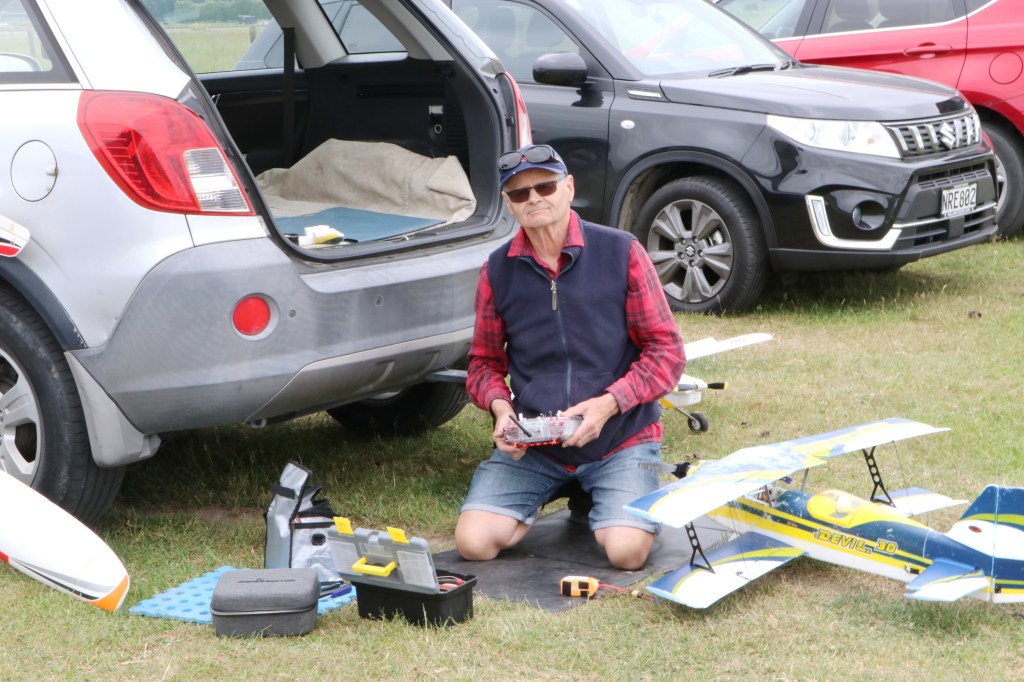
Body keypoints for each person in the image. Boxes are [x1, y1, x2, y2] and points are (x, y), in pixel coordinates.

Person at [454, 144, 686, 570]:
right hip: (536, 444)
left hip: (620, 438)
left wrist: (607, 404)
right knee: (473, 543)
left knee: (626, 553)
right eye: (520, 193)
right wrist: (502, 411)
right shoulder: (497, 270)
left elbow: (666, 351)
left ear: (569, 188)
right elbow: (483, 363)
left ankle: (606, 493)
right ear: (508, 203)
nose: (534, 198)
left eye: (545, 186)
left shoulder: (622, 251)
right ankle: (572, 491)